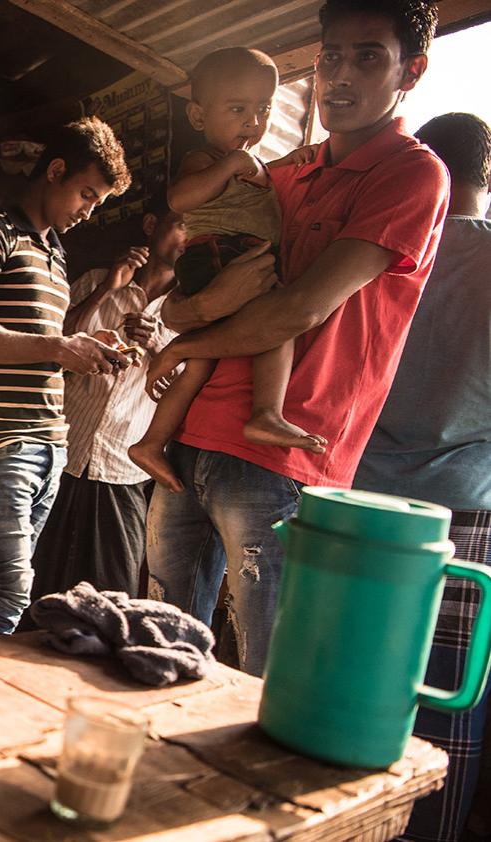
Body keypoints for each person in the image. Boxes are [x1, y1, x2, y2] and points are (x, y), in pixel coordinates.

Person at [142, 0, 448, 676]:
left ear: (412, 70)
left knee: (266, 676)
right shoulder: (275, 172)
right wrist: (191, 316)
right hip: (189, 436)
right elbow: (180, 299)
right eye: (330, 55)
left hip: (279, 454)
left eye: (368, 56)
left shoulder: (412, 173)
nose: (340, 74)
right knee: (159, 660)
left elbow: (299, 310)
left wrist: (188, 338)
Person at [0, 116, 133, 638]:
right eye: (85, 194)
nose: (87, 212)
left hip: (51, 443)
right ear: (56, 170)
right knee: (8, 589)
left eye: (98, 204)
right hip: (1, 440)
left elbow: (44, 339)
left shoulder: (53, 252)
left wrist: (87, 344)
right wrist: (59, 347)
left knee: (1, 586)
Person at [353, 112, 491, 842]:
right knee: (447, 703)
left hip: (359, 506)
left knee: (357, 682)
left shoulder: (380, 250)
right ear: (485, 177)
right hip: (464, 518)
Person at [129, 48, 325, 494]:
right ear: (198, 116)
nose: (252, 122)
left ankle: (150, 442)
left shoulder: (238, 163)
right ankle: (266, 413)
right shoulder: (203, 159)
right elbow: (180, 200)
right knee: (277, 321)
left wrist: (284, 164)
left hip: (225, 258)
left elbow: (248, 184)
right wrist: (235, 164)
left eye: (263, 110)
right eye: (238, 109)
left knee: (200, 361)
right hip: (221, 255)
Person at [29, 193, 187, 599]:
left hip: (122, 471)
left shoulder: (188, 310)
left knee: (110, 594)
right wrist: (105, 290)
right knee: (34, 582)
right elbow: (49, 343)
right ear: (152, 227)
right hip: (60, 457)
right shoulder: (98, 279)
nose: (189, 237)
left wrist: (157, 345)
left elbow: (184, 388)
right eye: (183, 224)